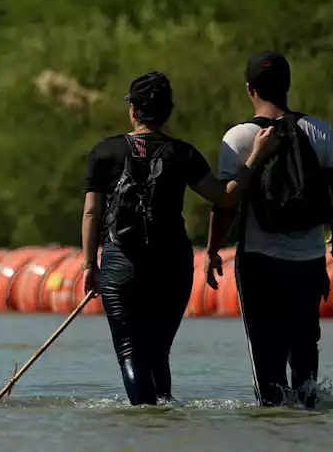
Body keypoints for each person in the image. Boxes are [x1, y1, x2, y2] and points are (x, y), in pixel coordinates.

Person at [82, 71, 278, 405]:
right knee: (158, 351)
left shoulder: (105, 152)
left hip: (120, 264)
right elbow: (225, 197)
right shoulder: (183, 154)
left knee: (131, 351)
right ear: (168, 111)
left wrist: (89, 265)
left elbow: (91, 213)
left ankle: (145, 420)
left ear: (133, 111)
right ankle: (164, 419)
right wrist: (256, 154)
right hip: (172, 266)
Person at [205, 51, 333, 408]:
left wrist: (212, 250)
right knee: (304, 349)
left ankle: (273, 428)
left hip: (260, 261)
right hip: (307, 259)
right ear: (288, 85)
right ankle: (308, 418)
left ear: (249, 89)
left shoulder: (240, 137)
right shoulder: (318, 130)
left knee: (265, 354)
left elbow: (226, 204)